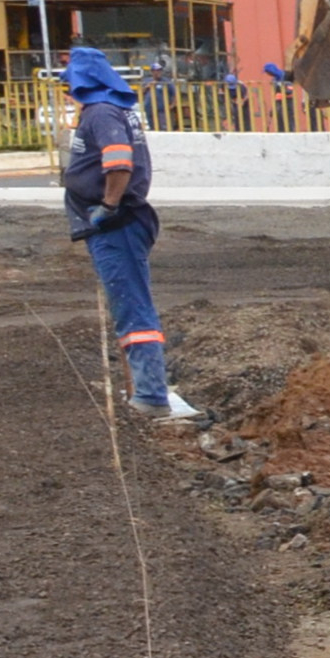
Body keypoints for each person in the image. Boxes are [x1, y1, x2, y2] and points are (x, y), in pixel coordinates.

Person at [61, 46, 202, 424]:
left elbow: (119, 161)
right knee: (128, 303)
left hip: (117, 223)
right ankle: (144, 391)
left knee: (132, 306)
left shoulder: (102, 113)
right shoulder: (111, 109)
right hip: (118, 222)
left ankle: (151, 395)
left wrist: (107, 206)